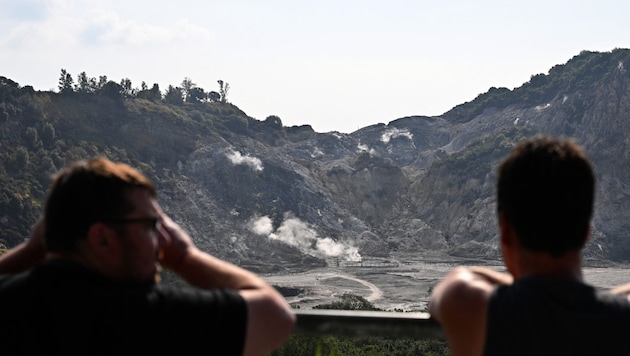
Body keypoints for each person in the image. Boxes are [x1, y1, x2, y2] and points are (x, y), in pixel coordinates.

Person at [0, 157, 296, 355]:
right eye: (151, 225)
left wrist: (29, 252)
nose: (161, 240)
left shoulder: (12, 303)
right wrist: (185, 257)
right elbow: (275, 316)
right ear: (102, 238)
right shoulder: (144, 315)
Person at [429, 135, 630, 356]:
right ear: (586, 232)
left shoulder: (471, 304)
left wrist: (529, 286)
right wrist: (592, 298)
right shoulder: (619, 317)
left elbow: (459, 277)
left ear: (505, 230)